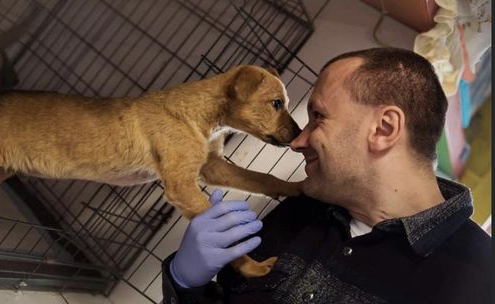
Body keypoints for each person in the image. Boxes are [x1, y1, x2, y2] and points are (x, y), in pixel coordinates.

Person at [161, 47, 491, 304]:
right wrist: (186, 285)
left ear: (384, 129)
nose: (297, 141)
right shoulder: (299, 211)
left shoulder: (480, 282)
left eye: (318, 116)